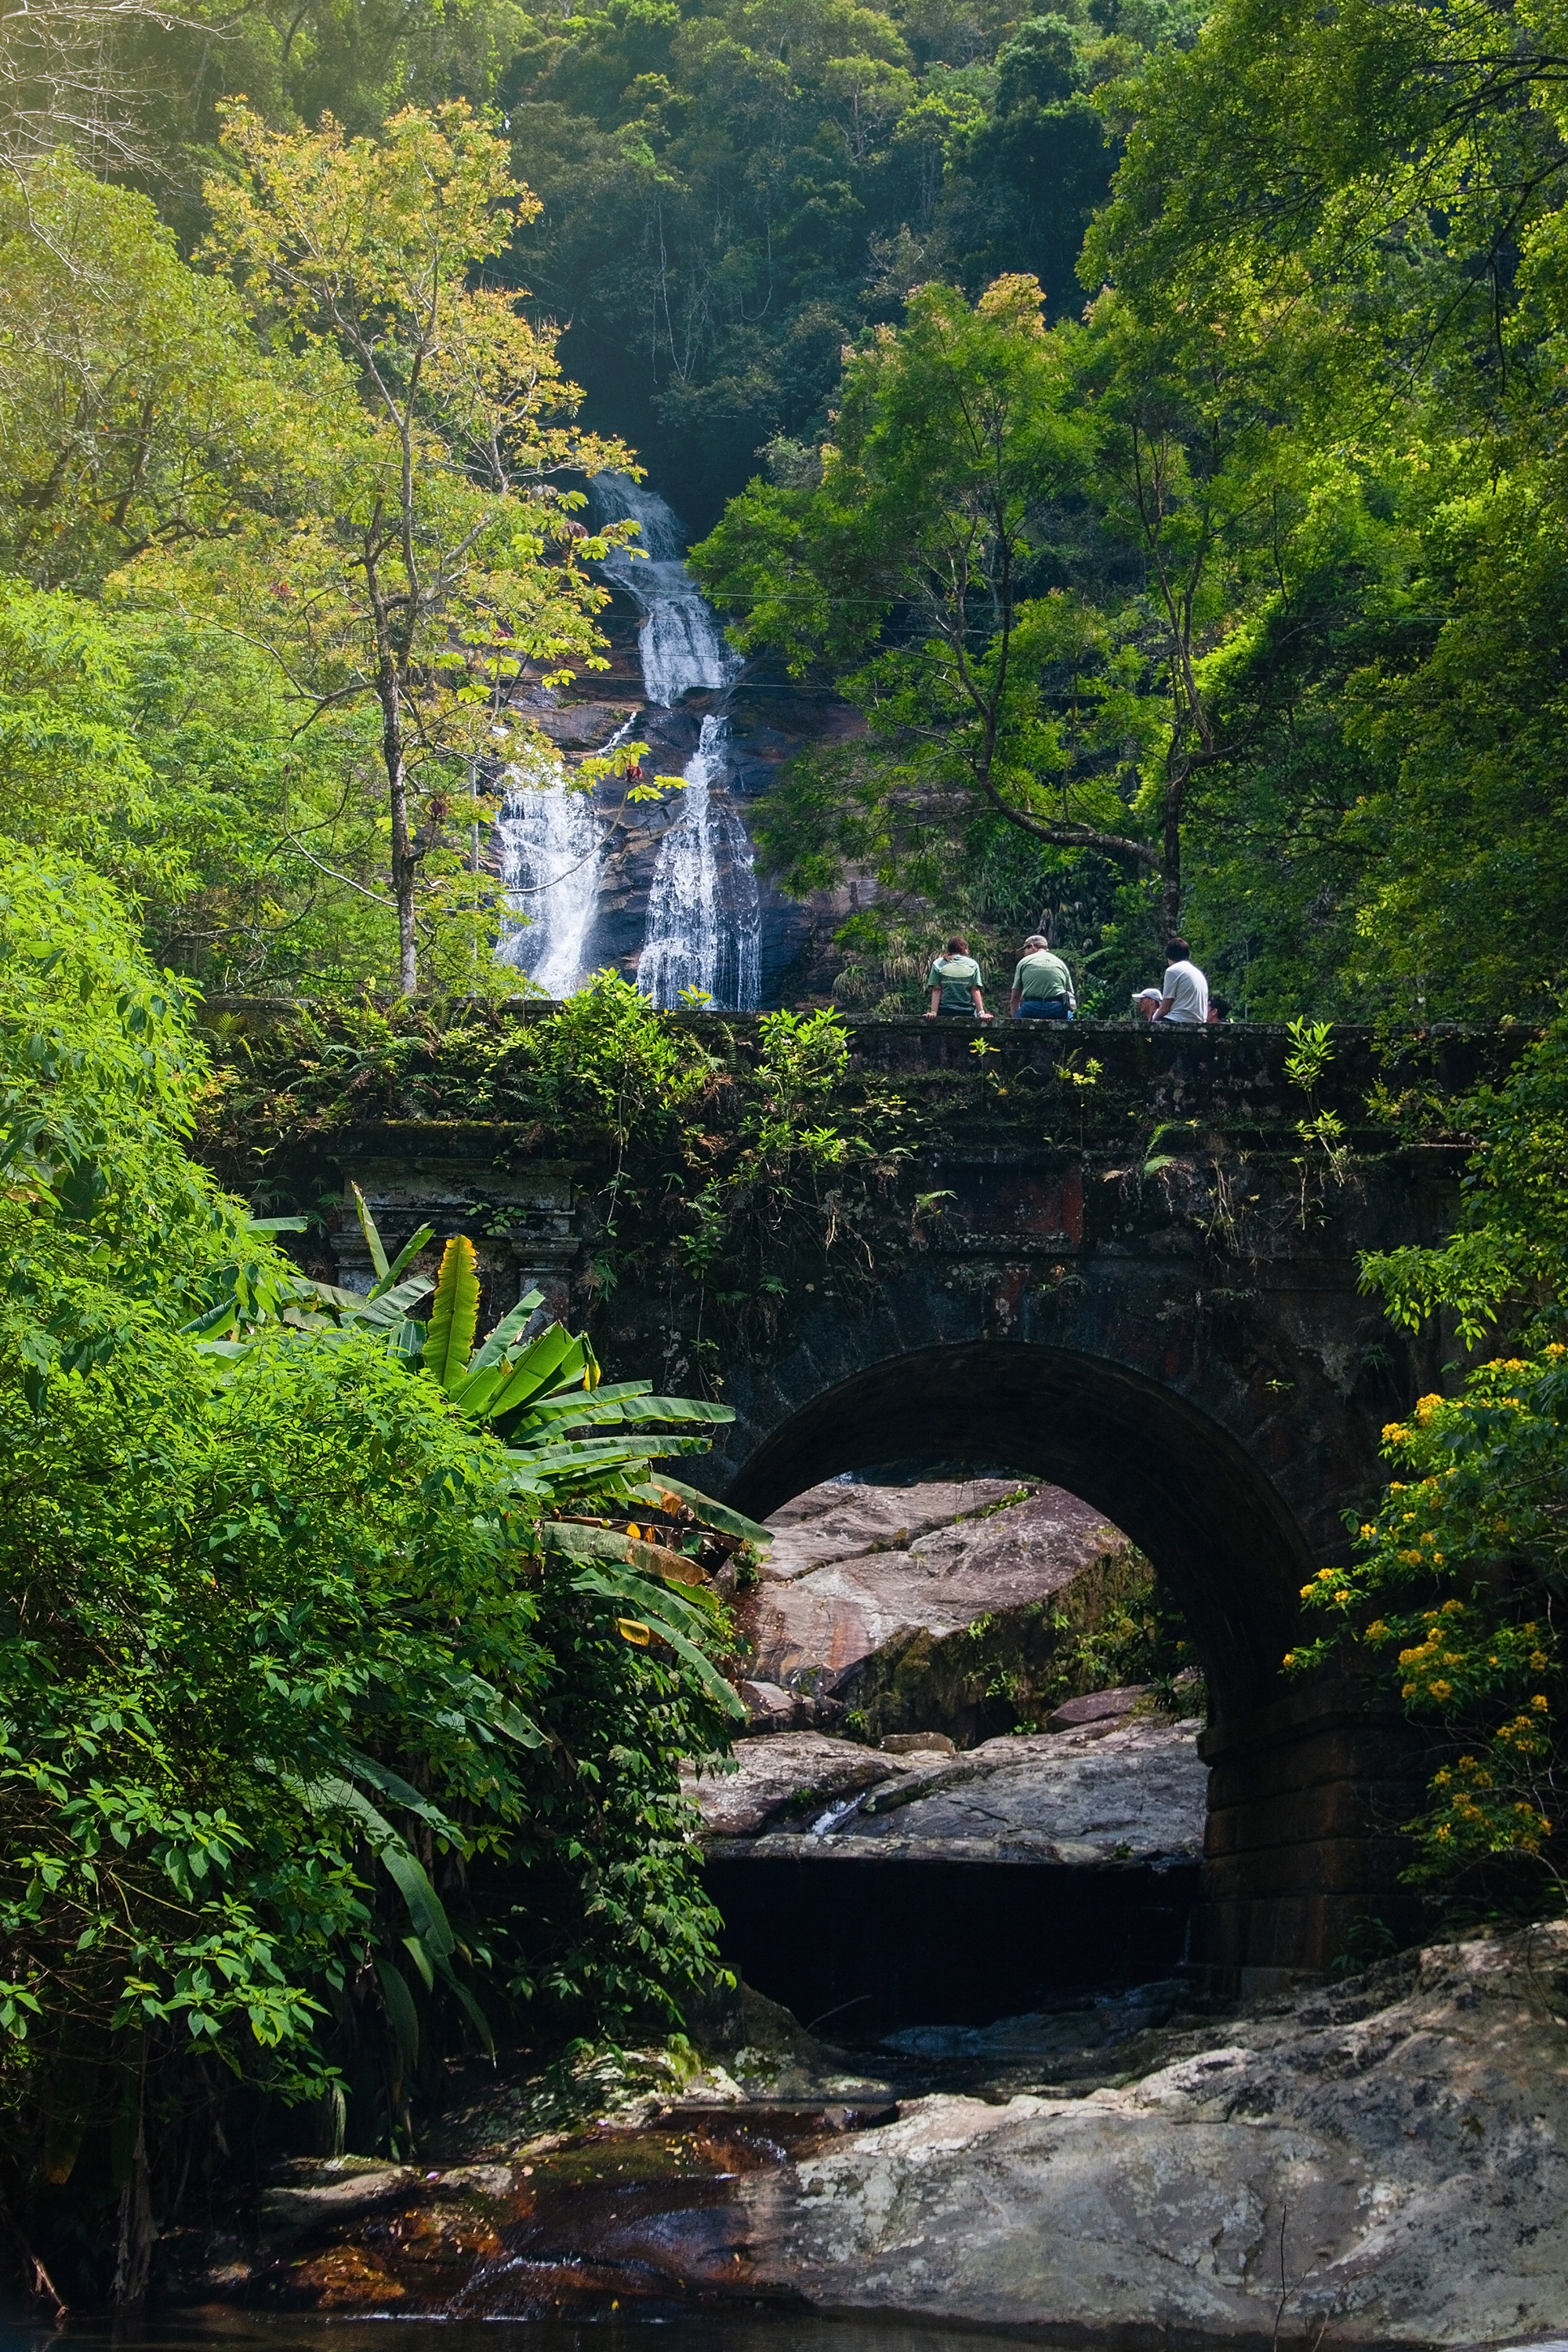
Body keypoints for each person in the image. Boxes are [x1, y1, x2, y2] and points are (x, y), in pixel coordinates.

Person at [1009, 934, 1075, 1021]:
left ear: (1032, 947)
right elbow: (1070, 995)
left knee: (1021, 1012)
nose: (1024, 954)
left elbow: (1015, 997)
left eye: (1025, 949)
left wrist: (1015, 1020)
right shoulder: (1061, 963)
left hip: (1031, 1008)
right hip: (1056, 1008)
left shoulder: (1023, 962)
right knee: (1069, 1017)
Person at [925, 935, 992, 1020]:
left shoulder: (938, 963)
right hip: (967, 1012)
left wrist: (934, 1012)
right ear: (965, 948)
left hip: (945, 1011)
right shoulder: (973, 964)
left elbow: (937, 990)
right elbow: (975, 990)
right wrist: (981, 1013)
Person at [1153, 936, 1209, 1025]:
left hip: (1179, 1019)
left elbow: (1165, 1007)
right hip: (1199, 1021)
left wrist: (1154, 1018)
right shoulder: (1198, 972)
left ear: (1169, 957)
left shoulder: (1173, 970)